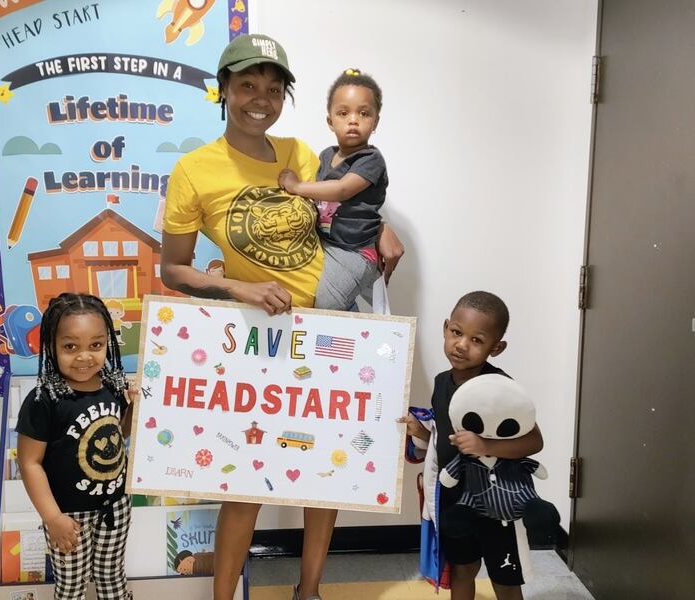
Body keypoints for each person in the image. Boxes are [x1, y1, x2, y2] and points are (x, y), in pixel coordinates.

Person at [160, 33, 404, 600]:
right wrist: (236, 286)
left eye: (274, 88)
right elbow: (174, 271)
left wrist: (383, 227)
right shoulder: (195, 171)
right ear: (223, 90)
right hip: (257, 336)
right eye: (247, 84)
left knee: (328, 470)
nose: (260, 99)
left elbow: (350, 200)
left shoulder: (299, 154)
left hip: (330, 330)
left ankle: (309, 590)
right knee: (243, 479)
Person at [399, 291, 543, 600]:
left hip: (494, 502)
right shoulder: (440, 382)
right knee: (462, 571)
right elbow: (446, 440)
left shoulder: (501, 388)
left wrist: (485, 444)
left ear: (496, 347)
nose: (461, 345)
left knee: (505, 579)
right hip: (454, 500)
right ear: (445, 328)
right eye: (456, 333)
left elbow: (534, 440)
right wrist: (421, 433)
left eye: (477, 340)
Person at [16, 293, 136, 600]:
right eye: (71, 346)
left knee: (112, 577)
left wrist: (134, 407)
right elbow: (29, 463)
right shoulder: (44, 400)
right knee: (71, 586)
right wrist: (52, 518)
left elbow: (118, 433)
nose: (85, 356)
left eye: (95, 345)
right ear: (51, 347)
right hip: (68, 515)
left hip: (115, 507)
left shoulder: (111, 386)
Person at [278, 69, 387, 310]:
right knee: (316, 294)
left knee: (326, 305)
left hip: (355, 251)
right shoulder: (326, 155)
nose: (353, 120)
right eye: (343, 113)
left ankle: (343, 344)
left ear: (376, 121)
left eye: (364, 113)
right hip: (326, 244)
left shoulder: (371, 159)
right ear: (330, 121)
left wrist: (297, 186)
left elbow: (342, 190)